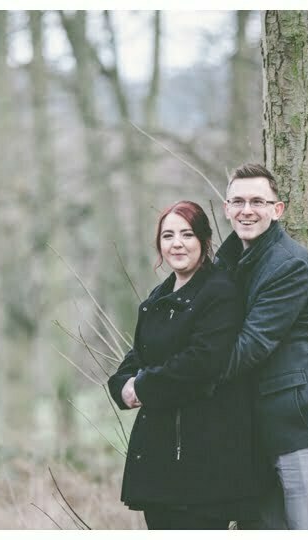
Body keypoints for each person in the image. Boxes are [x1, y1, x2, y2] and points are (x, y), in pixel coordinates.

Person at [107, 200, 270, 530]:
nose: (176, 243)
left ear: (204, 241)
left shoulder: (220, 292)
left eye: (186, 234)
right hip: (159, 458)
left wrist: (142, 386)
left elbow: (202, 363)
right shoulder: (156, 298)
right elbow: (137, 356)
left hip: (202, 459)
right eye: (168, 236)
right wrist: (123, 386)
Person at [214, 163, 308, 530]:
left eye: (258, 201)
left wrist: (185, 374)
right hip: (258, 435)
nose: (247, 210)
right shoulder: (226, 263)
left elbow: (251, 346)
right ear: (226, 208)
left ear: (278, 210)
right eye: (239, 201)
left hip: (303, 427)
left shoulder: (287, 264)